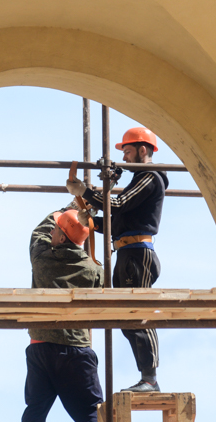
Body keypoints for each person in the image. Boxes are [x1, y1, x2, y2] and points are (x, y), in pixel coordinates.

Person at [66, 127, 167, 393]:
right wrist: (92, 221)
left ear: (142, 150)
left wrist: (86, 192)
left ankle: (151, 379)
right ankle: (147, 378)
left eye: (128, 151)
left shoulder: (150, 176)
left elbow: (119, 204)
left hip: (138, 253)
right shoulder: (138, 179)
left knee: (138, 315)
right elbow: (119, 219)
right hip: (126, 251)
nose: (124, 157)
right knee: (126, 316)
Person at [18, 207, 105, 422]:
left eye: (58, 229)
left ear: (62, 238)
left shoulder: (41, 257)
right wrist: (83, 212)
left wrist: (77, 202)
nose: (52, 231)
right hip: (76, 351)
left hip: (41, 348)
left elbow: (39, 231)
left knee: (35, 411)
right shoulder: (93, 270)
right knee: (92, 414)